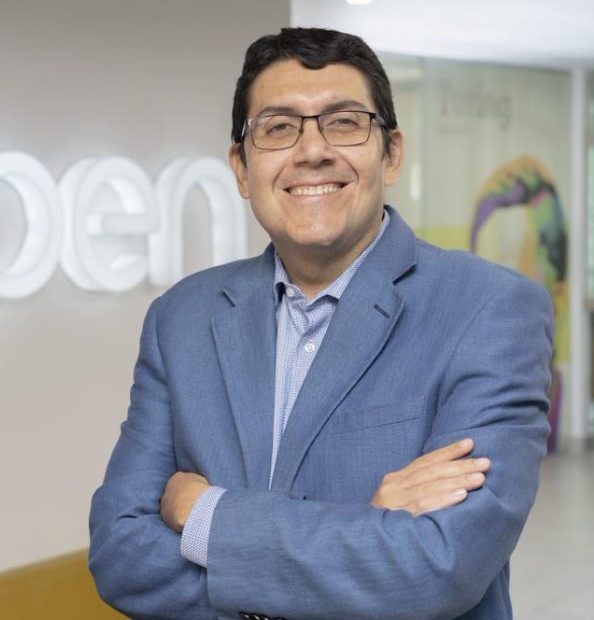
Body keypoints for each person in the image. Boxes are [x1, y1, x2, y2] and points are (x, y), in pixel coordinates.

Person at [89, 27, 553, 620]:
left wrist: (203, 514)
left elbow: (440, 567)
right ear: (241, 167)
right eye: (278, 127)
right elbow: (121, 553)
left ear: (391, 154)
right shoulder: (181, 320)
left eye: (344, 122)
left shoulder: (490, 309)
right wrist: (363, 529)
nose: (312, 151)